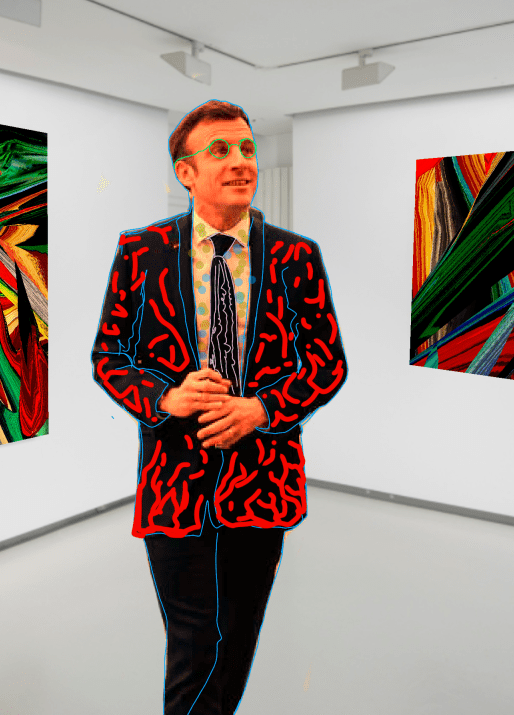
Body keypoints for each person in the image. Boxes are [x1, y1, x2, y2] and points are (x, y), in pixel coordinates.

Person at [90, 100, 347, 714]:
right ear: (186, 172)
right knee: (191, 640)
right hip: (173, 480)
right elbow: (109, 356)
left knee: (239, 635)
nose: (241, 163)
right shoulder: (141, 251)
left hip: (263, 481)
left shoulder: (297, 256)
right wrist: (165, 396)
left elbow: (327, 362)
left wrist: (262, 410)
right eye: (221, 151)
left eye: (248, 149)